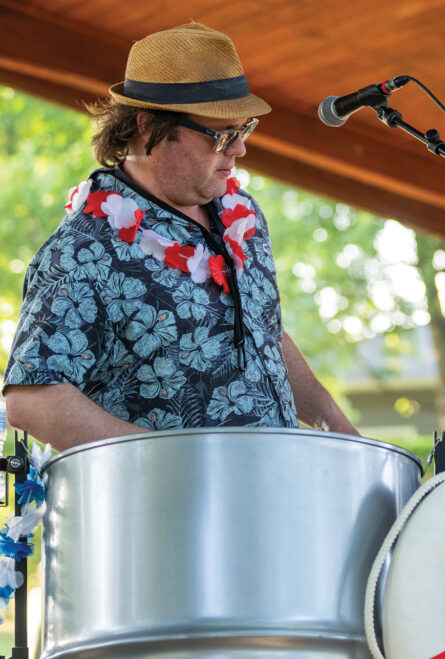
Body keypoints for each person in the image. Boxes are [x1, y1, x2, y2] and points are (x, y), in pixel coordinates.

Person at [2, 22, 357, 451]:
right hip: (163, 509)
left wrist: (341, 432)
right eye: (222, 135)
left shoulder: (241, 217)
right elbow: (34, 399)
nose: (239, 150)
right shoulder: (85, 248)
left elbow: (265, 334)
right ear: (149, 128)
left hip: (268, 495)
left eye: (244, 130)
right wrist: (173, 460)